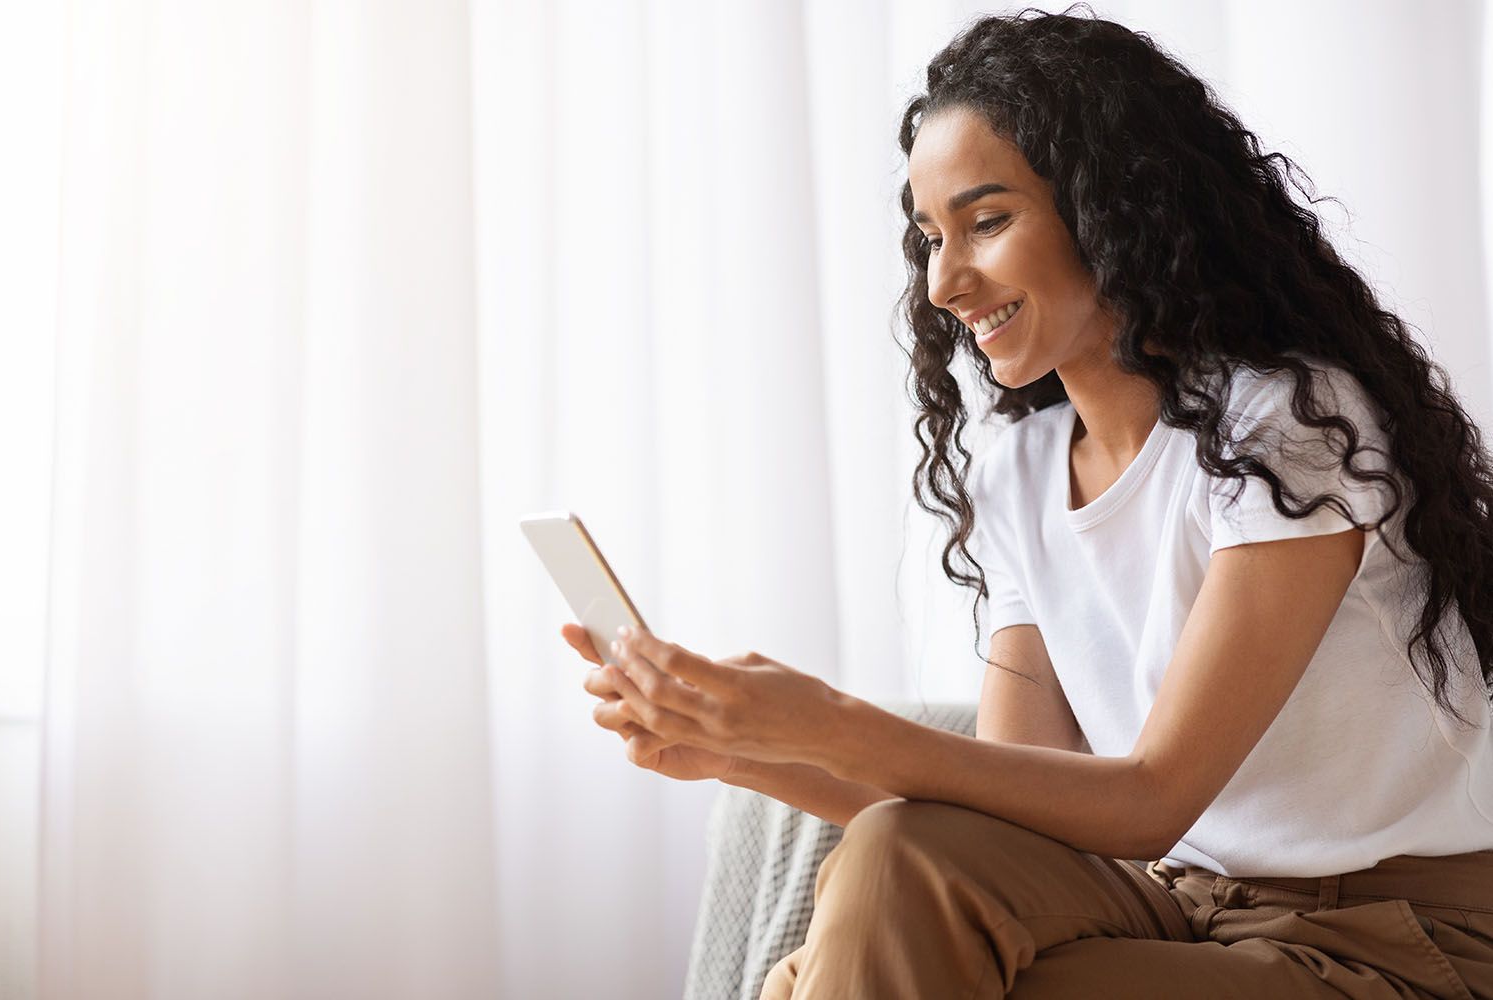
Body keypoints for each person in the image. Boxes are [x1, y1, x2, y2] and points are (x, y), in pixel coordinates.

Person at [562, 6, 1493, 997]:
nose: (943, 281)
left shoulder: (1283, 430)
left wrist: (825, 717)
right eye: (928, 236)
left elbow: (1152, 798)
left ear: (1114, 208)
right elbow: (997, 809)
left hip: (1387, 938)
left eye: (987, 221)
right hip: (1182, 901)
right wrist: (744, 749)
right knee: (894, 855)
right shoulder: (1019, 467)